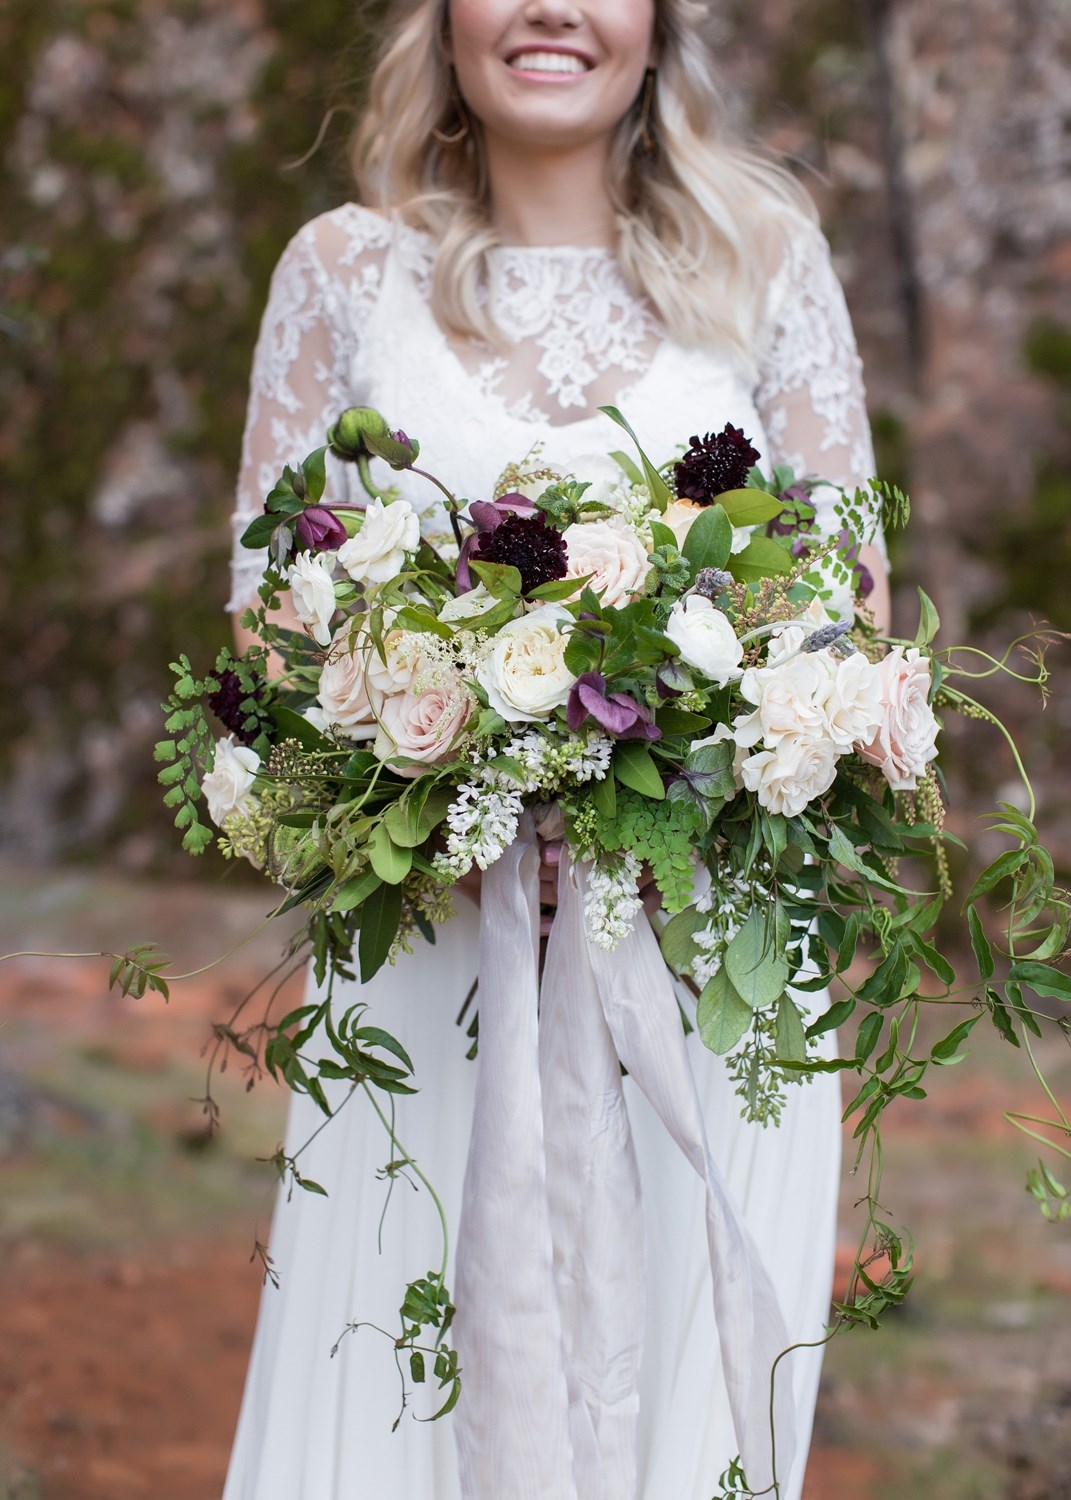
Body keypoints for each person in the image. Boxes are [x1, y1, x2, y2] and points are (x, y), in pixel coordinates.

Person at [222, 1, 891, 1496]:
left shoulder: (767, 257)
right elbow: (270, 629)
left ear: (656, 24)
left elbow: (843, 602)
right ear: (443, 19)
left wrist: (665, 798)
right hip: (427, 951)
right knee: (397, 1383)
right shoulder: (343, 271)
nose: (548, 9)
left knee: (686, 1400)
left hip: (706, 947)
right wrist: (441, 791)